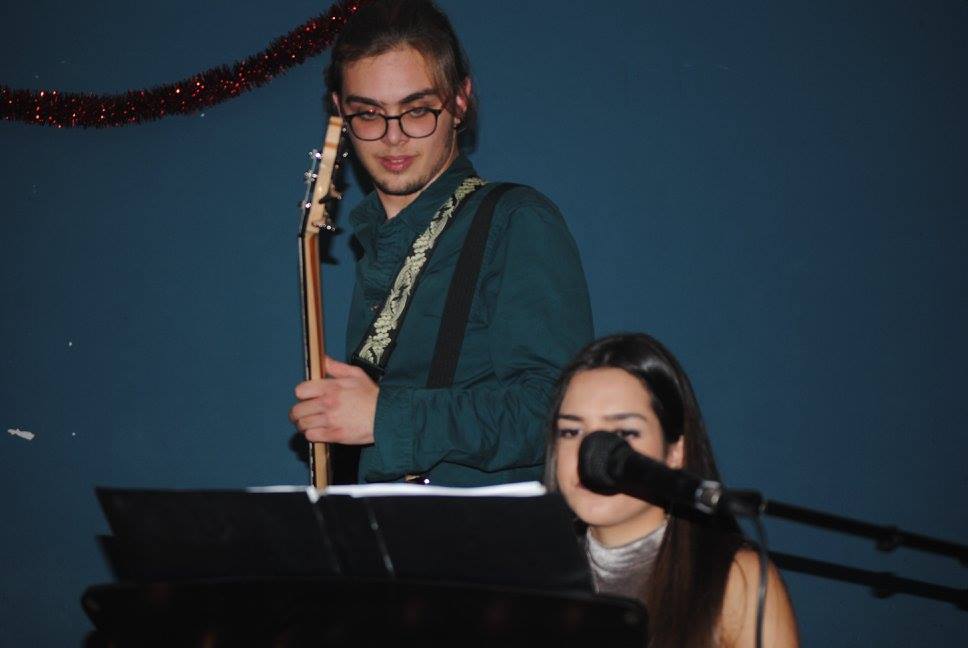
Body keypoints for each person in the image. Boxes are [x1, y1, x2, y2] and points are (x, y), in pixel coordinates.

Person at [289, 0, 593, 485]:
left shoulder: (514, 220)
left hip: (488, 532)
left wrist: (385, 419)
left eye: (417, 110)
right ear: (339, 113)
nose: (392, 137)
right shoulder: (375, 243)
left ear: (459, 102)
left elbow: (561, 413)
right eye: (368, 114)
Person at [547, 333, 798, 648]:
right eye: (572, 431)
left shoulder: (736, 581)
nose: (591, 455)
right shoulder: (531, 576)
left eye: (624, 433)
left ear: (675, 451)